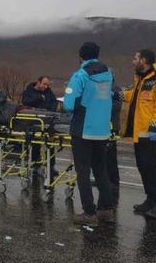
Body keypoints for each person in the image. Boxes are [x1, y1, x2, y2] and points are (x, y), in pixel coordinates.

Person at [63, 42, 115, 226]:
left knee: (83, 171)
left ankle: (89, 213)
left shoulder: (80, 75)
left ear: (81, 56)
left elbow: (68, 104)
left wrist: (77, 105)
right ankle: (106, 209)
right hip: (102, 130)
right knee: (101, 169)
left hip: (83, 130)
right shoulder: (109, 74)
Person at [123, 49, 156, 218]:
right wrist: (121, 95)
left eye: (135, 58)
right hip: (139, 133)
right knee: (144, 167)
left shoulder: (155, 79)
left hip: (150, 135)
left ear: (144, 60)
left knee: (152, 168)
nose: (133, 61)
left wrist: (152, 132)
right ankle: (150, 200)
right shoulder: (141, 79)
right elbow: (136, 98)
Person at [21, 76, 59, 177]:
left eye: (47, 85)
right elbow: (26, 102)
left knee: (50, 143)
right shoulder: (28, 91)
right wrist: (39, 99)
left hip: (48, 119)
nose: (46, 87)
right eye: (44, 84)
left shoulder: (48, 92)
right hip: (34, 121)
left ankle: (51, 165)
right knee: (36, 143)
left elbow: (54, 102)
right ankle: (36, 165)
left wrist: (50, 110)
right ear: (38, 82)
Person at [107, 82, 122, 207]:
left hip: (112, 126)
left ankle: (114, 181)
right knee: (103, 156)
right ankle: (106, 179)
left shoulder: (115, 90)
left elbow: (116, 106)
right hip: (105, 125)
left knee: (111, 155)